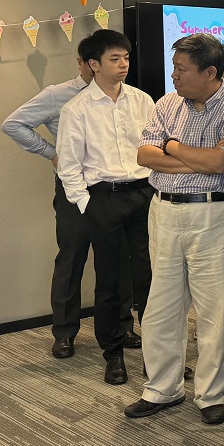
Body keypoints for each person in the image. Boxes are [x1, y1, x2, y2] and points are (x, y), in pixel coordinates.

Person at [125, 33, 224, 426]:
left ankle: (211, 394)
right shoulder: (167, 103)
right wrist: (197, 157)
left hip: (218, 214)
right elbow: (144, 155)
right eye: (174, 67)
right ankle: (161, 388)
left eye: (182, 69)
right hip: (164, 210)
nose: (174, 76)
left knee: (215, 309)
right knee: (161, 306)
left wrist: (173, 147)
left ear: (210, 72)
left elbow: (222, 164)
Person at [55, 30, 155, 385]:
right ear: (93, 65)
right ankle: (113, 355)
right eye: (115, 59)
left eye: (126, 57)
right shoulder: (76, 108)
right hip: (104, 199)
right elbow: (69, 166)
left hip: (144, 193)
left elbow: (156, 146)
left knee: (152, 278)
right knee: (109, 281)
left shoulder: (142, 100)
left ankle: (159, 358)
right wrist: (87, 205)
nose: (124, 64)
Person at [1, 46, 95, 359]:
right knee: (71, 258)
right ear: (82, 62)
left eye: (123, 59)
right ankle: (64, 333)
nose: (118, 65)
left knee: (117, 259)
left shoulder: (124, 97)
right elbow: (13, 124)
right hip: (72, 186)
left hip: (113, 187)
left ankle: (122, 327)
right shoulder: (59, 94)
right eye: (96, 61)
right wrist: (52, 154)